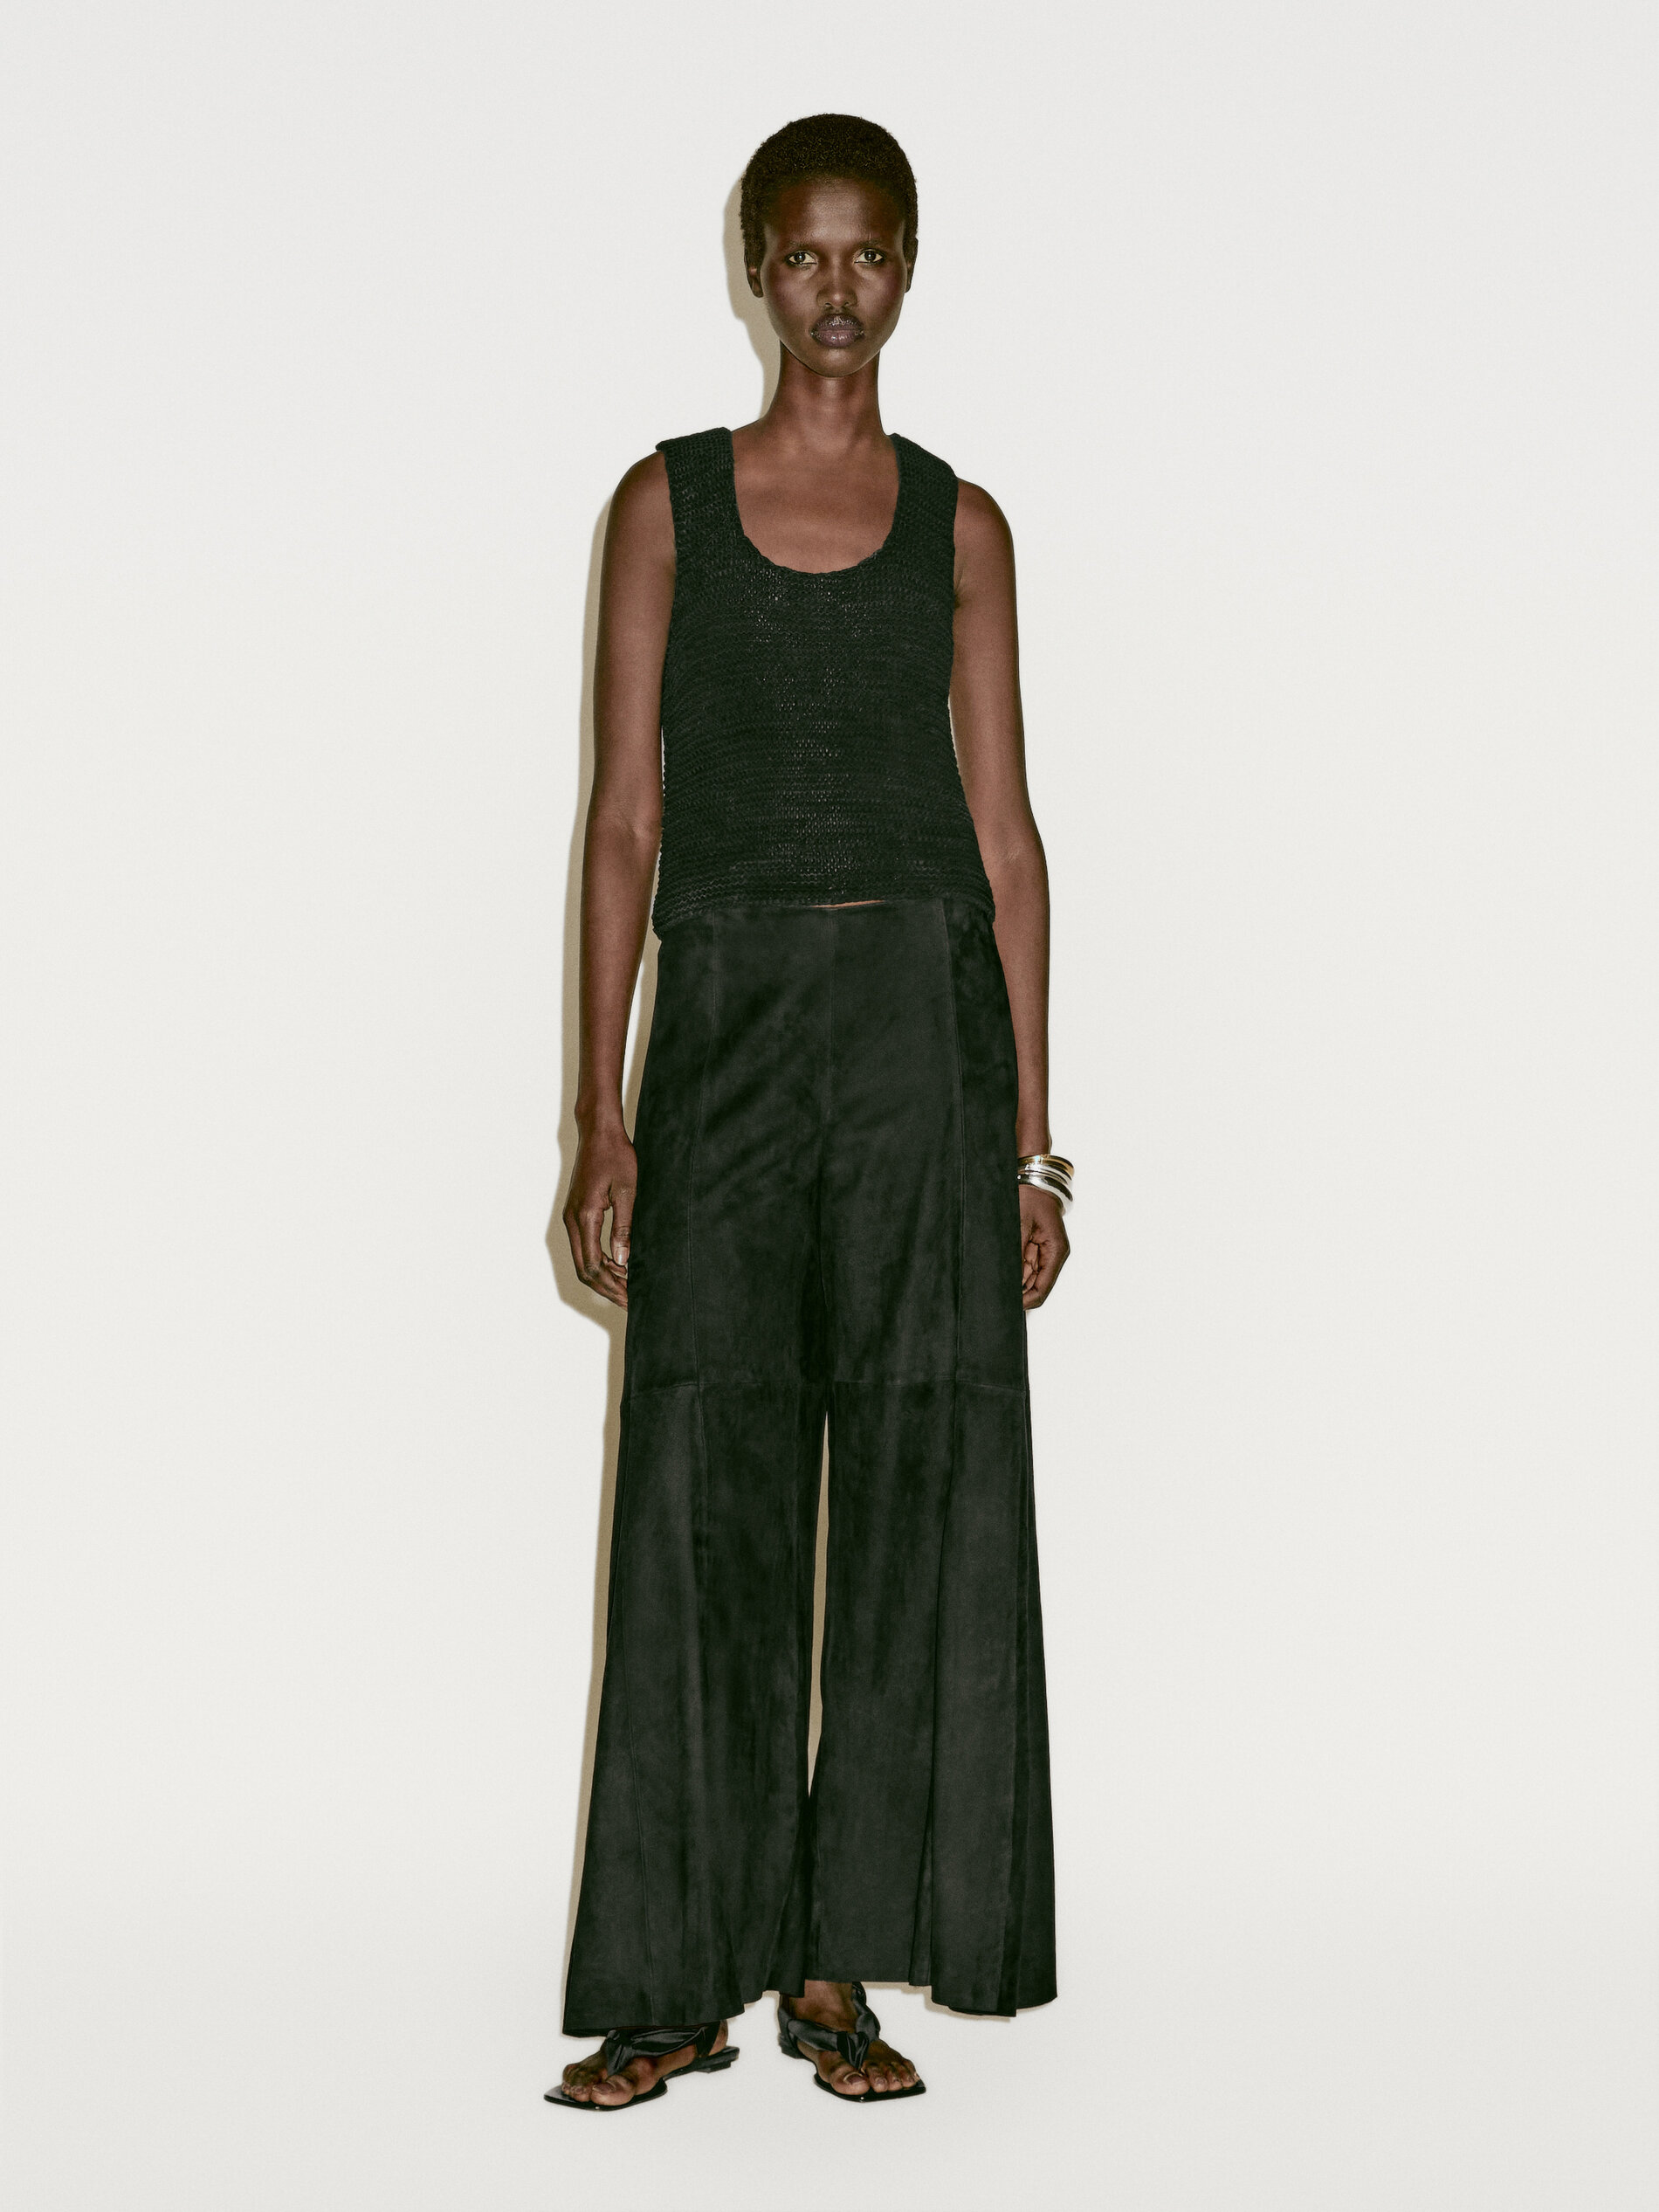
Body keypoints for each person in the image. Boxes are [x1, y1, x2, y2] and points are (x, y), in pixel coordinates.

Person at [548, 113, 1070, 2112]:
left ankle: (836, 1966)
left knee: (914, 1493)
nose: (834, 288)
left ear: (907, 267)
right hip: (730, 1034)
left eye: (867, 253)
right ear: (752, 271)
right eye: (800, 254)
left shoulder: (963, 527)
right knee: (701, 1481)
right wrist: (598, 1119)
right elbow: (621, 823)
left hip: (920, 1033)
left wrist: (1028, 1140)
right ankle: (676, 1974)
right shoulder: (665, 504)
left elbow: (1006, 841)